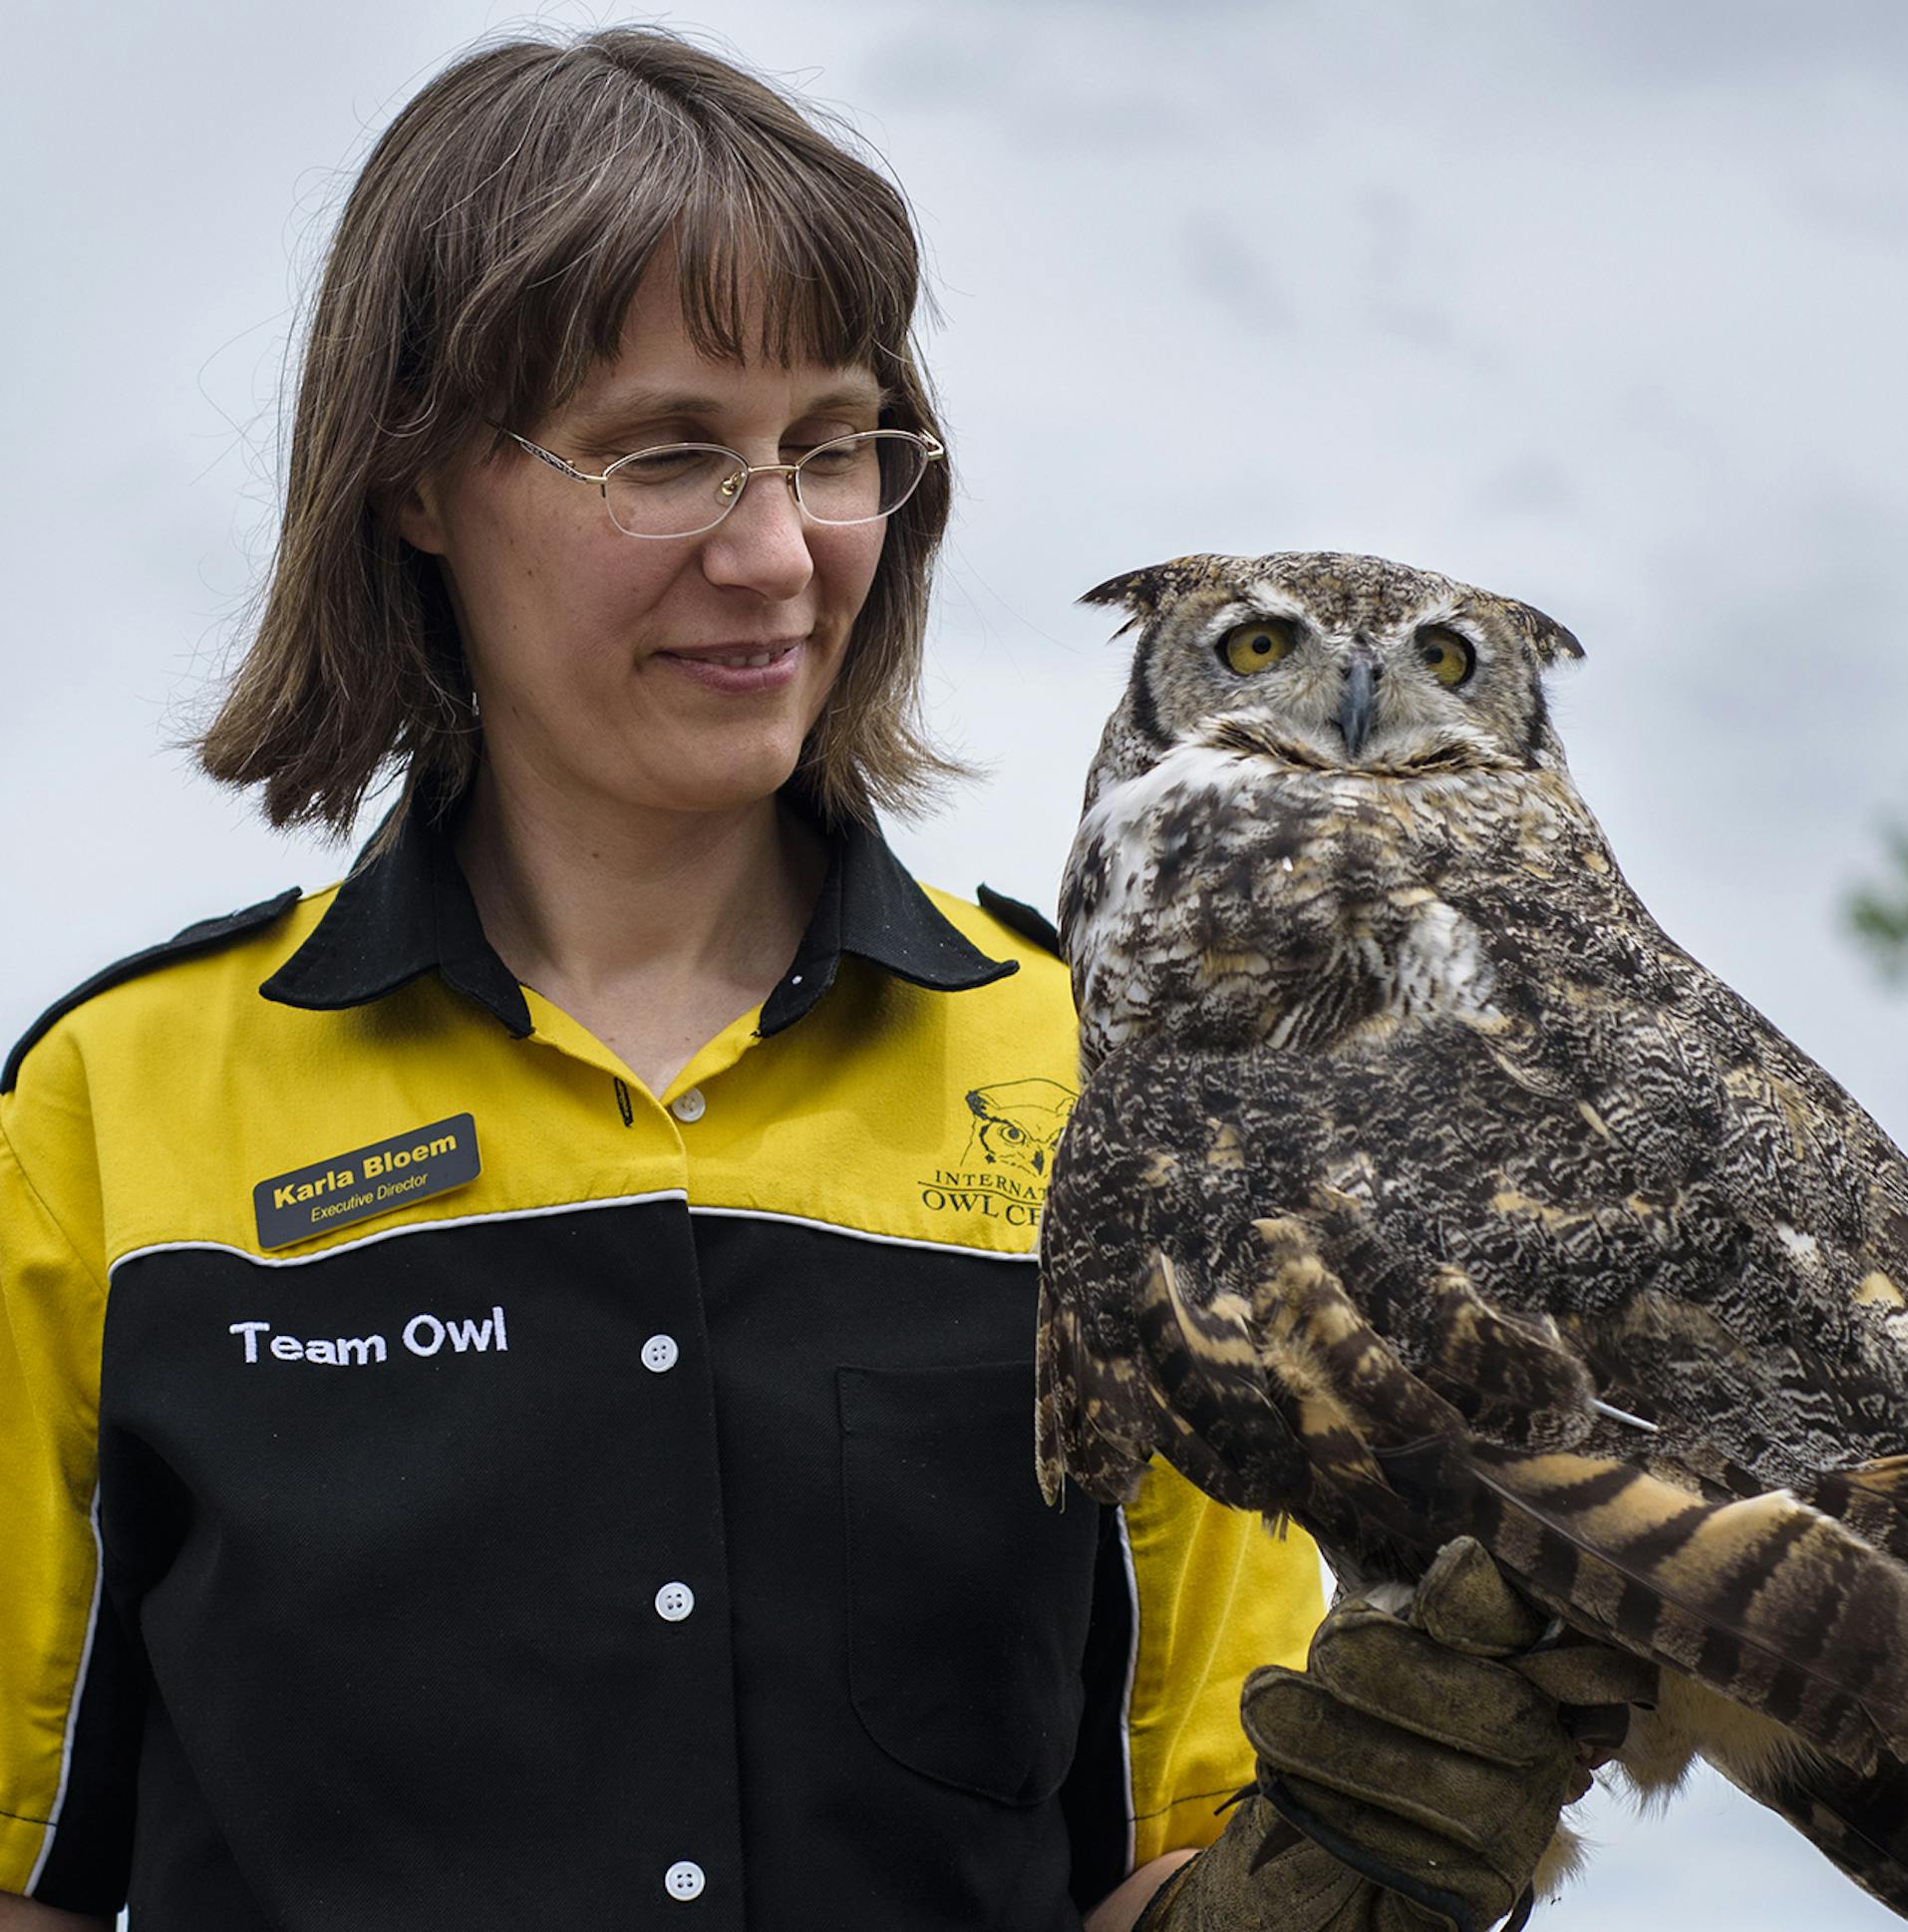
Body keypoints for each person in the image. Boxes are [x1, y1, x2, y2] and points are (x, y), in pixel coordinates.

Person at [0, 28, 1635, 1931]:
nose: (777, 551)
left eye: (833, 444)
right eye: (667, 452)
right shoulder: (115, 1110)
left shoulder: (1130, 1098)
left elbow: (1190, 1843)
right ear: (417, 480)